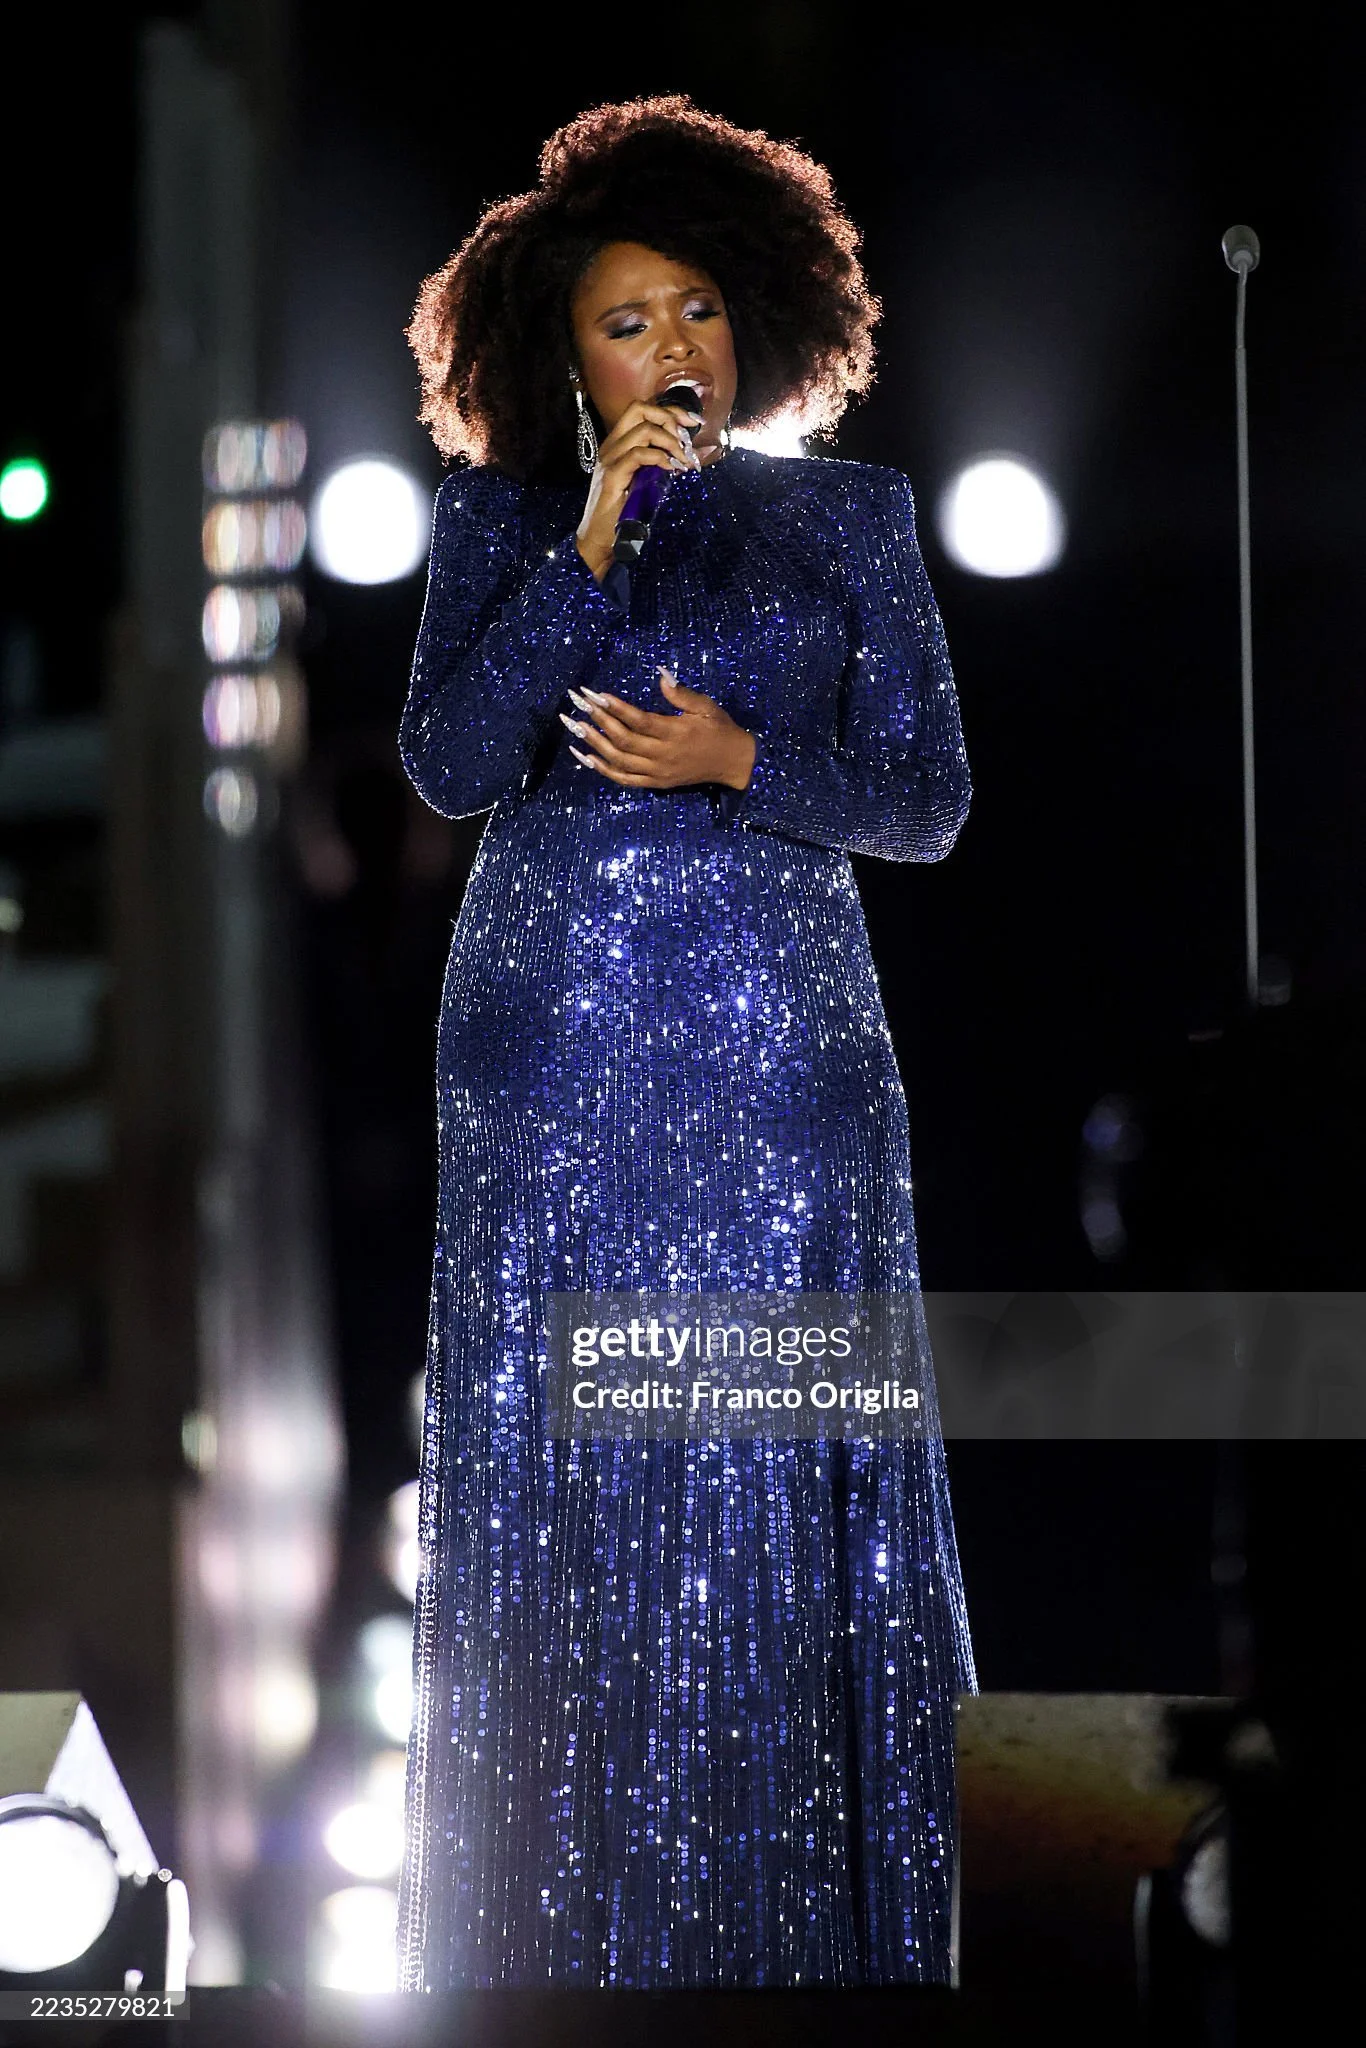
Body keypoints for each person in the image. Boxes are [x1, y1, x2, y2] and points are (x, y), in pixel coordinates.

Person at [395, 93, 978, 1991]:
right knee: (570, 1497)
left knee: (774, 1473)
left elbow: (931, 804)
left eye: (699, 314)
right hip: (550, 1061)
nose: (673, 352)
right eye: (627, 324)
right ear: (557, 355)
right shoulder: (497, 525)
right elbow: (453, 763)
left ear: (763, 328)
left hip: (782, 1064)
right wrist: (586, 542)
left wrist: (745, 760)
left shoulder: (852, 517)